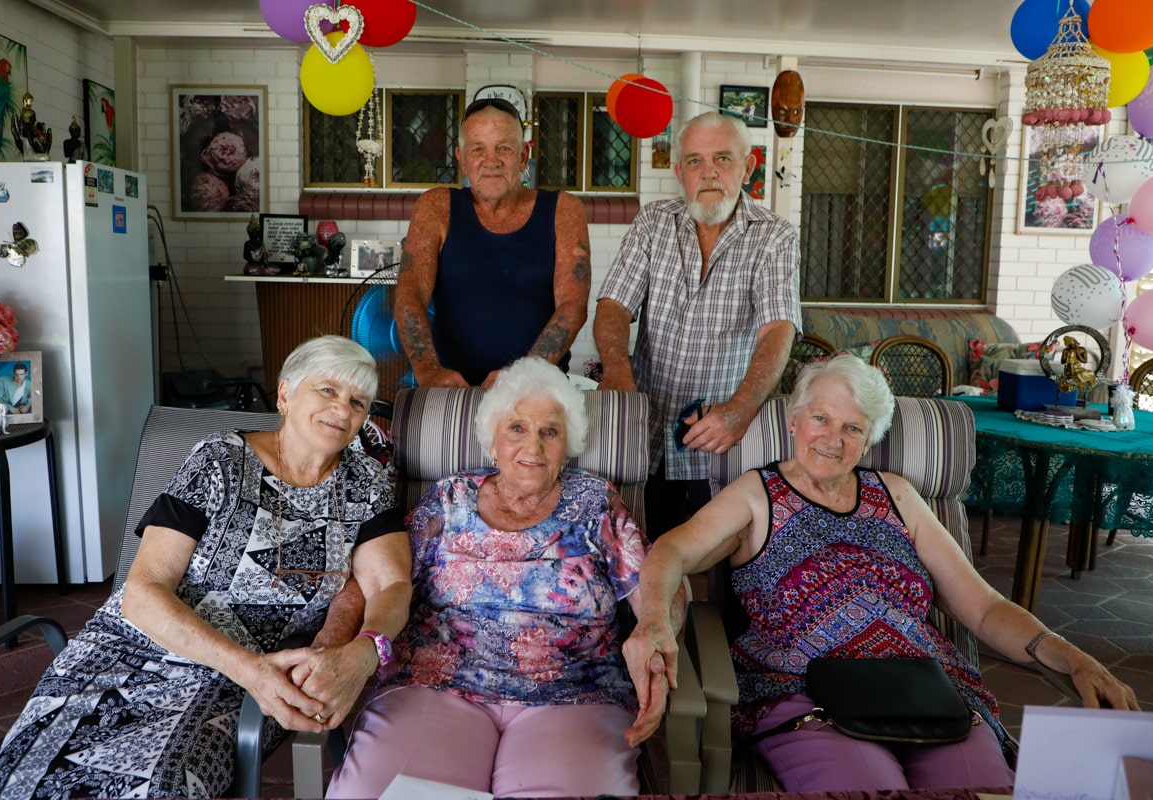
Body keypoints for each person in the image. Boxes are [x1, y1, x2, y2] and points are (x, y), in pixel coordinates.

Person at [622, 355, 1140, 791]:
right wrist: (654, 621)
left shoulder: (897, 494)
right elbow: (672, 551)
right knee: (868, 789)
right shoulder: (758, 495)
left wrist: (1072, 659)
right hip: (805, 691)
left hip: (925, 691)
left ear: (869, 439)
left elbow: (982, 608)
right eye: (821, 418)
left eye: (853, 427)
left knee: (980, 788)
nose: (833, 438)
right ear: (793, 421)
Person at [0, 336, 413, 800]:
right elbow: (143, 591)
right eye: (327, 390)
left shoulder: (365, 484)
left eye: (357, 401)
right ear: (285, 394)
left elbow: (391, 583)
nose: (342, 410)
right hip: (132, 651)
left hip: (234, 684)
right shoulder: (219, 460)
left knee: (159, 786)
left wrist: (368, 651)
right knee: (23, 782)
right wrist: (252, 671)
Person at [326, 357, 682, 799]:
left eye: (549, 432)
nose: (532, 446)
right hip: (435, 687)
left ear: (567, 444)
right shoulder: (449, 497)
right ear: (492, 441)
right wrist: (335, 644)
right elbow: (381, 579)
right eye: (517, 428)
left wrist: (654, 626)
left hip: (573, 692)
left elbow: (659, 585)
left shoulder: (595, 500)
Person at [594, 110, 801, 537]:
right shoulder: (654, 221)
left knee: (730, 560)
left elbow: (777, 328)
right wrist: (616, 369)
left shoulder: (774, 236)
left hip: (724, 435)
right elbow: (614, 304)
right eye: (694, 161)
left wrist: (742, 409)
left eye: (722, 159)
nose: (708, 173)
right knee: (638, 549)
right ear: (678, 172)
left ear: (748, 167)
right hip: (646, 428)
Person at [394, 98, 591, 388]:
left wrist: (524, 376)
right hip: (452, 388)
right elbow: (409, 295)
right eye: (478, 149)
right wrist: (428, 371)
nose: (491, 161)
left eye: (504, 148)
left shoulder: (564, 209)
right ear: (461, 158)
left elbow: (573, 305)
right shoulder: (436, 207)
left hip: (536, 389)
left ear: (523, 157)